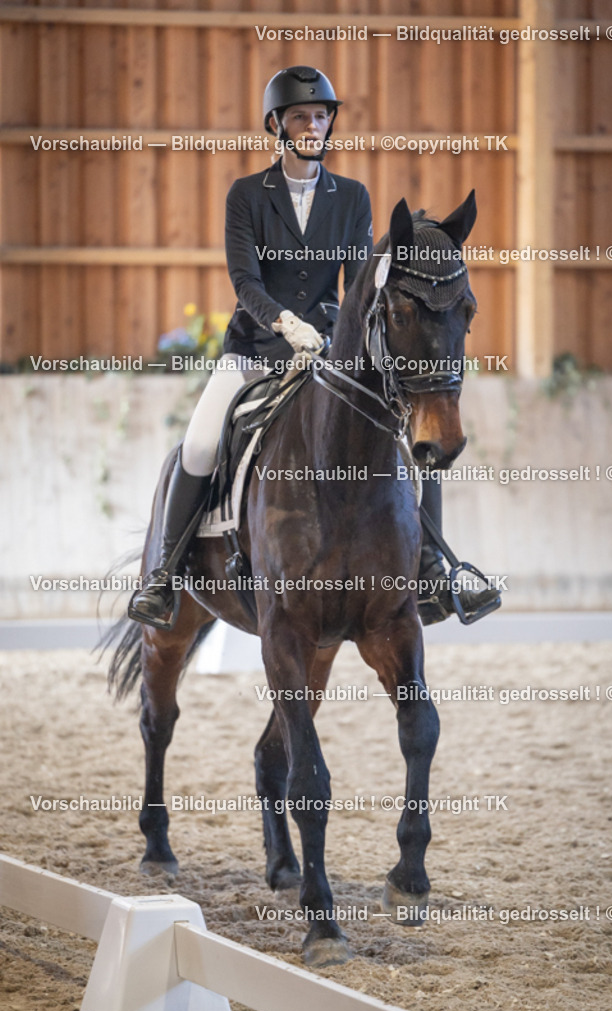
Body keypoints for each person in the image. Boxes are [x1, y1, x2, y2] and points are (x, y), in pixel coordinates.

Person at [129, 65, 494, 630]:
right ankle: (162, 578)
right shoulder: (247, 195)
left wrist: (338, 340)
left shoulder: (351, 197)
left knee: (412, 441)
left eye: (320, 116)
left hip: (326, 353)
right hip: (255, 349)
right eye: (301, 116)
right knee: (199, 445)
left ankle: (430, 574)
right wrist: (284, 324)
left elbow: (355, 287)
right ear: (278, 124)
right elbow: (244, 281)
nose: (312, 125)